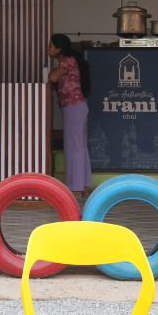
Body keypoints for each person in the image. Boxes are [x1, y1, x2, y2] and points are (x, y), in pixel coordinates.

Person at [47, 34, 92, 199]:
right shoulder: (70, 61)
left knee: (74, 147)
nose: (48, 49)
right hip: (77, 107)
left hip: (74, 108)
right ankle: (83, 185)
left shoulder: (67, 62)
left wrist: (51, 70)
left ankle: (76, 187)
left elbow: (52, 77)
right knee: (79, 146)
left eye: (51, 46)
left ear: (59, 49)